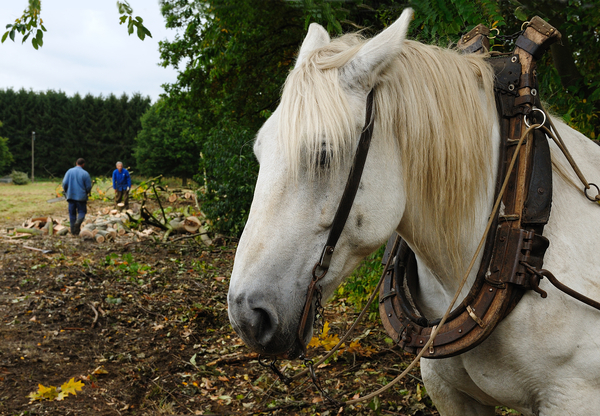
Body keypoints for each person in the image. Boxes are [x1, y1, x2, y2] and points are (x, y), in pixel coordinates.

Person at [62, 158, 92, 236]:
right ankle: (78, 222)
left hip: (71, 196)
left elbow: (64, 183)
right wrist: (87, 192)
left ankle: (73, 231)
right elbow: (88, 186)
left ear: (76, 163)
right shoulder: (85, 173)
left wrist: (66, 192)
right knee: (82, 212)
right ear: (83, 164)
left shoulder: (69, 171)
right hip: (81, 197)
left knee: (72, 214)